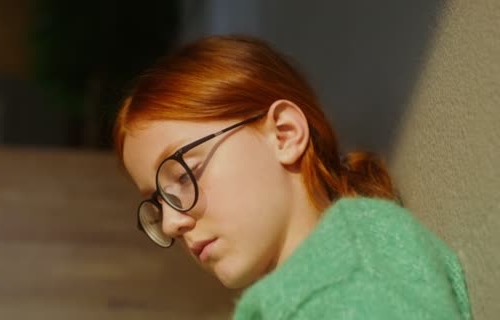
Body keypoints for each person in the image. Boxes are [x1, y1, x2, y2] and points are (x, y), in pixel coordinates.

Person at [113, 35, 472, 319]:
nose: (173, 223)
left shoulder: (355, 277)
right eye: (158, 204)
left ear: (284, 135)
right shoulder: (336, 274)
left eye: (182, 175)